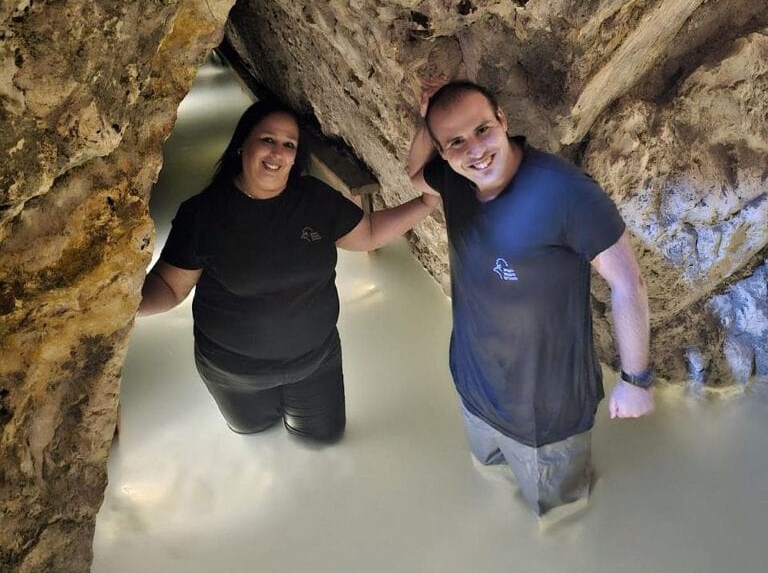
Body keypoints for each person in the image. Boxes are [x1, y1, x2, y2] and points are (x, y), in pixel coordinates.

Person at [408, 80, 654, 516]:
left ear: (503, 120)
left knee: (560, 518)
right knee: (493, 484)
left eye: (482, 130)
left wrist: (635, 381)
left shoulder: (566, 193)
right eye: (457, 141)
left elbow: (628, 284)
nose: (476, 150)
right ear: (442, 150)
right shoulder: (452, 178)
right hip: (474, 392)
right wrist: (425, 122)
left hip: (547, 416)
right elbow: (414, 177)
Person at [140, 99, 438, 444]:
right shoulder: (203, 214)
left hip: (314, 361)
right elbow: (169, 287)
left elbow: (368, 232)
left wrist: (426, 202)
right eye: (267, 139)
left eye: (289, 144)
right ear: (243, 144)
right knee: (253, 431)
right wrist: (115, 308)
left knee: (323, 439)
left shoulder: (314, 199)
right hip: (234, 372)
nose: (277, 152)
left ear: (296, 157)